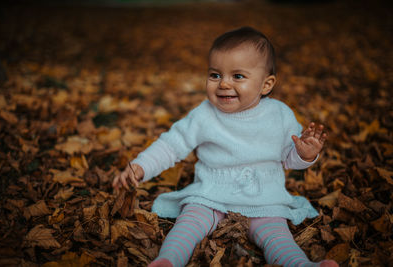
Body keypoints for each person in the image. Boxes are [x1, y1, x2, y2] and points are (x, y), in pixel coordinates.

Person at [113, 27, 338, 267]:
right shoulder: (204, 114)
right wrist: (140, 166)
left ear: (266, 84)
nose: (223, 84)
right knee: (188, 224)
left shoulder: (280, 115)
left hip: (262, 197)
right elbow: (171, 144)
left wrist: (304, 154)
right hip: (211, 194)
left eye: (238, 76)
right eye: (215, 75)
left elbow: (289, 158)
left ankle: (301, 265)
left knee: (277, 237)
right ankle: (167, 260)